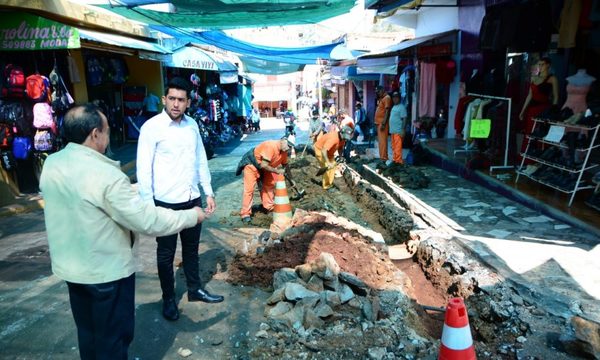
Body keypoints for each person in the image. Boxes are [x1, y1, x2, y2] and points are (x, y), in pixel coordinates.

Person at [40, 104, 207, 359]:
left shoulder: (52, 163)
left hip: (72, 269)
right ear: (95, 134)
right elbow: (147, 221)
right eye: (107, 131)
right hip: (105, 274)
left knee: (88, 334)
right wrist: (190, 216)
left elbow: (85, 196)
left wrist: (132, 190)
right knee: (113, 339)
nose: (108, 136)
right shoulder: (106, 174)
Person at [136, 77, 223, 322]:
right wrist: (148, 205)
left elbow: (200, 160)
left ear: (188, 102)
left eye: (181, 100)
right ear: (164, 99)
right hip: (165, 203)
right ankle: (168, 298)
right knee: (165, 254)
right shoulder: (151, 128)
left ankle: (195, 289)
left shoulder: (192, 125)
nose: (176, 104)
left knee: (192, 249)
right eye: (172, 98)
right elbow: (143, 170)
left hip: (192, 198)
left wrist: (208, 191)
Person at [237, 136, 296, 223]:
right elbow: (264, 165)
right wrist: (277, 170)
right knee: (249, 190)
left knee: (269, 186)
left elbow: (286, 166)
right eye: (288, 145)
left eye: (291, 147)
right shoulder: (271, 146)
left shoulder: (283, 152)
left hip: (266, 167)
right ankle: (245, 213)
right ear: (283, 140)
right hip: (252, 164)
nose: (288, 148)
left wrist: (292, 179)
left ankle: (269, 207)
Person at [518, 57, 558, 135]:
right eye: (539, 64)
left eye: (542, 64)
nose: (540, 66)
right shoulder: (534, 78)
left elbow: (556, 97)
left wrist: (552, 112)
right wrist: (522, 111)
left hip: (543, 109)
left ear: (548, 65)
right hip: (532, 109)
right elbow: (529, 95)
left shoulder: (552, 78)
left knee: (540, 131)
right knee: (529, 131)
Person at [314, 125, 354, 190]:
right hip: (320, 150)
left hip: (329, 151)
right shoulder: (333, 139)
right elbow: (324, 150)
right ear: (341, 133)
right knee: (327, 167)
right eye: (345, 137)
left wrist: (341, 156)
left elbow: (340, 148)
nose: (345, 139)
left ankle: (329, 183)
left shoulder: (343, 138)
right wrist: (327, 162)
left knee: (333, 167)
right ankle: (326, 186)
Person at [374, 85, 392, 162]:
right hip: (379, 123)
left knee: (383, 142)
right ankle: (382, 157)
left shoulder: (387, 98)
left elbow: (387, 112)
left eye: (378, 91)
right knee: (381, 142)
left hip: (382, 123)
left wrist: (384, 123)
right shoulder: (382, 99)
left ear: (382, 90)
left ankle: (384, 158)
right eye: (376, 92)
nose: (377, 93)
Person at [389, 92, 407, 164]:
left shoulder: (402, 107)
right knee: (394, 147)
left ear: (399, 98)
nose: (394, 99)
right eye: (393, 97)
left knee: (398, 147)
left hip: (398, 131)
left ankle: (398, 162)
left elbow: (405, 119)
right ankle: (395, 160)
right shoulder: (394, 107)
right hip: (393, 131)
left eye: (396, 97)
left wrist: (403, 130)